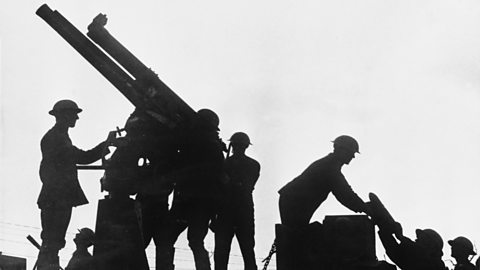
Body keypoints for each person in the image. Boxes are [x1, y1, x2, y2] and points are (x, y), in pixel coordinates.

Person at [36, 99, 115, 270]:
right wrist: (106, 144)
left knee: (53, 240)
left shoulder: (60, 137)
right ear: (64, 116)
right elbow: (83, 157)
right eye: (74, 115)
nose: (76, 119)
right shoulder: (56, 139)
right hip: (57, 198)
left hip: (57, 198)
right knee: (53, 240)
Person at [160, 108, 225, 270]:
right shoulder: (213, 147)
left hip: (187, 200)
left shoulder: (194, 143)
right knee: (195, 241)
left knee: (167, 238)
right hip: (202, 203)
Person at [278, 135, 370, 228]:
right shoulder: (329, 168)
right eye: (351, 152)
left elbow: (345, 193)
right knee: (297, 234)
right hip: (293, 202)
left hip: (292, 200)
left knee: (296, 234)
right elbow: (345, 194)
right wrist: (364, 208)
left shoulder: (329, 165)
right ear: (340, 149)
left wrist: (362, 206)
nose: (353, 156)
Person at [214, 132, 260, 270]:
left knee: (225, 254)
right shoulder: (252, 165)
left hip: (230, 211)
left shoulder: (225, 165)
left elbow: (244, 186)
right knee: (246, 251)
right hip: (240, 210)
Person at [378, 223, 447, 270]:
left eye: (421, 239)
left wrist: (401, 237)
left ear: (431, 245)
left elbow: (419, 254)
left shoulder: (436, 265)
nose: (416, 240)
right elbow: (395, 252)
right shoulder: (415, 259)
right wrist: (383, 228)